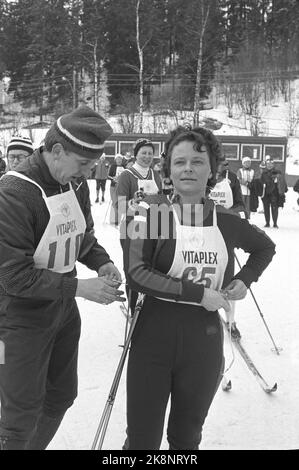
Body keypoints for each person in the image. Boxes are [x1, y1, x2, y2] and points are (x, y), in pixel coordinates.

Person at [122, 125, 275, 450]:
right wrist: (199, 294)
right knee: (142, 444)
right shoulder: (152, 210)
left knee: (186, 440)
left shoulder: (225, 219)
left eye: (197, 161)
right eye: (179, 162)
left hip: (202, 344)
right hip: (152, 340)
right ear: (168, 168)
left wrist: (243, 280)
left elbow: (265, 248)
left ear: (213, 169)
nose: (188, 168)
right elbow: (136, 273)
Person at [0, 105, 126, 451]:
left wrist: (101, 262)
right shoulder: (13, 192)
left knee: (60, 396)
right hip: (19, 319)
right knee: (19, 414)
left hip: (62, 312)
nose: (87, 173)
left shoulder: (73, 182)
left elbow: (80, 234)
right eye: (83, 164)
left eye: (91, 166)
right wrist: (80, 288)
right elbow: (12, 278)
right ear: (57, 151)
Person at [116, 138, 162, 311]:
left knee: (154, 268)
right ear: (136, 155)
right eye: (143, 153)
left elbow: (161, 200)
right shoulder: (127, 175)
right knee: (134, 269)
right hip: (132, 228)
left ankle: (150, 304)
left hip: (155, 227)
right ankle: (133, 305)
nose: (147, 156)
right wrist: (133, 203)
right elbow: (119, 207)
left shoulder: (155, 174)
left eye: (150, 153)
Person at [209, 158, 245, 339]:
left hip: (226, 230)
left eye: (224, 164)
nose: (222, 167)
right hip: (205, 230)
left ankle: (231, 321)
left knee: (228, 276)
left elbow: (240, 203)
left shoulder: (232, 179)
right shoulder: (205, 176)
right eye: (219, 163)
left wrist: (229, 213)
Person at [260, 158, 288, 228]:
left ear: (273, 165)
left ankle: (275, 223)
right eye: (268, 164)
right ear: (266, 165)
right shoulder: (264, 173)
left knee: (274, 208)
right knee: (266, 208)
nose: (269, 165)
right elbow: (261, 182)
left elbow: (282, 182)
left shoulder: (278, 172)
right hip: (266, 193)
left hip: (274, 193)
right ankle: (267, 223)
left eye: (271, 164)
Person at [107, 154, 125, 225]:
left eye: (120, 159)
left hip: (121, 187)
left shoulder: (124, 167)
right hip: (113, 187)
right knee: (114, 203)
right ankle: (113, 219)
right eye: (118, 159)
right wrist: (113, 178)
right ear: (115, 160)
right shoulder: (113, 166)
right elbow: (108, 176)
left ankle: (118, 220)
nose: (119, 160)